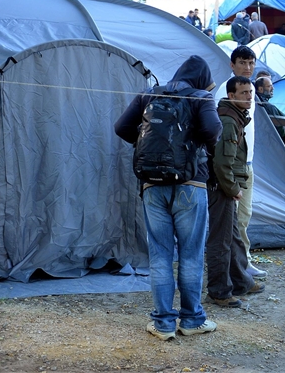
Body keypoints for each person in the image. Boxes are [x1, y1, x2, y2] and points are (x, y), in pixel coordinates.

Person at [114, 55, 220, 340]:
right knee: (191, 253)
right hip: (190, 182)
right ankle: (192, 319)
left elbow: (121, 127)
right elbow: (212, 130)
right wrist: (200, 149)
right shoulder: (201, 96)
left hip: (152, 184)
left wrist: (151, 147)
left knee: (160, 254)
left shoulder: (150, 93)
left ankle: (162, 324)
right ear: (201, 79)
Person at [206, 76, 265, 307]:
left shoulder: (237, 116)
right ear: (231, 96)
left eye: (250, 92)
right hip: (222, 188)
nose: (249, 97)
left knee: (234, 237)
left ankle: (241, 281)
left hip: (227, 187)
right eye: (244, 93)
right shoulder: (229, 120)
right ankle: (219, 292)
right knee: (221, 241)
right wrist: (233, 188)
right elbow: (221, 163)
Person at [213, 46, 267, 278]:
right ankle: (231, 268)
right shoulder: (227, 92)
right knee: (230, 220)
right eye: (242, 63)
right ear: (232, 65)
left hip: (248, 163)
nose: (247, 68)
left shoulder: (250, 90)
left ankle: (243, 262)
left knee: (244, 216)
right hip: (232, 166)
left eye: (251, 63)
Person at [255, 76, 285, 146]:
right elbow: (281, 132)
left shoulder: (254, 102)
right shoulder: (269, 107)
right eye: (269, 86)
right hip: (273, 142)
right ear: (261, 89)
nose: (273, 88)